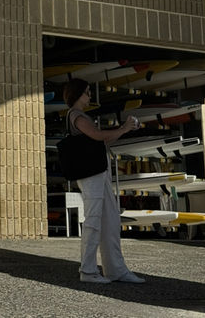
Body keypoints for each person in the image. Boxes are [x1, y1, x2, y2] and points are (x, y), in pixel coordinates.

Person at [63, 77, 145, 284]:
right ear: (77, 94)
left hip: (99, 172)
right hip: (92, 174)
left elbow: (103, 138)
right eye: (87, 92)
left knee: (110, 220)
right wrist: (124, 128)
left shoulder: (82, 116)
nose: (90, 95)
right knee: (94, 221)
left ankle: (116, 270)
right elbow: (98, 136)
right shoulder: (77, 116)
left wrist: (123, 129)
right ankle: (88, 271)